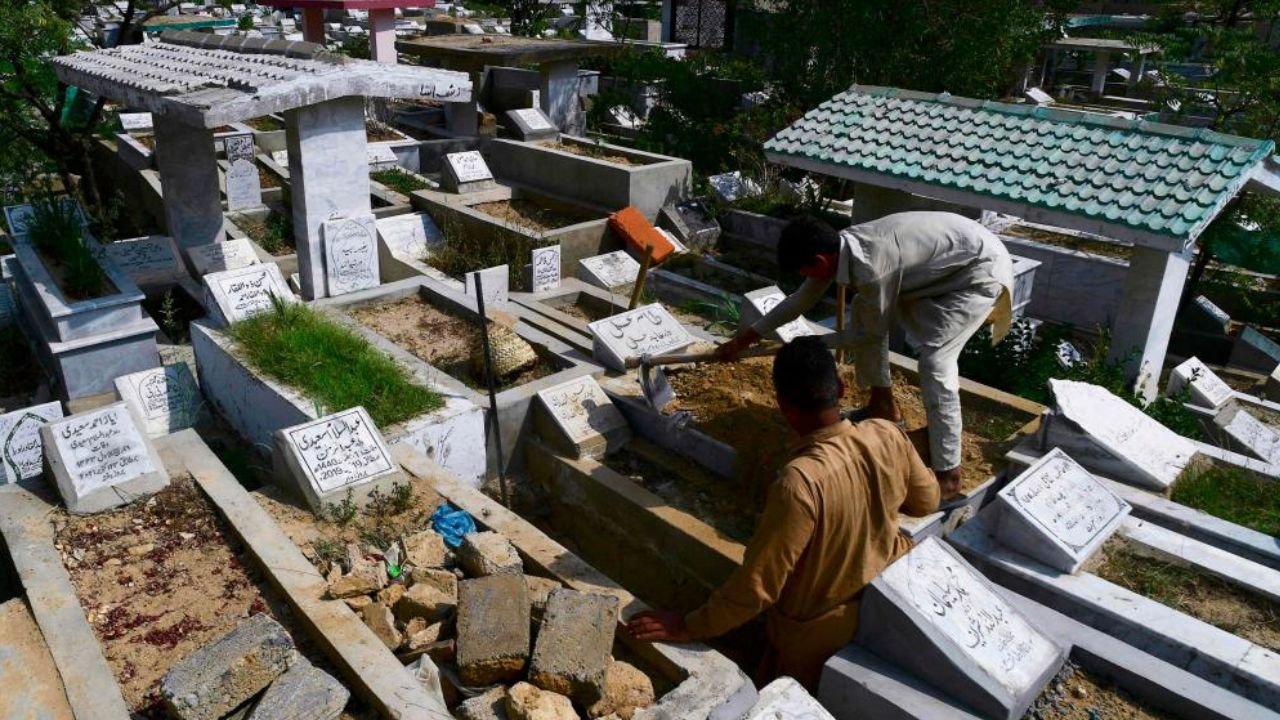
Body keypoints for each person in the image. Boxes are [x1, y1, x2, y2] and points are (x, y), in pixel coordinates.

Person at [625, 337, 940, 691]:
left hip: (819, 635)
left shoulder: (799, 482)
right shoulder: (886, 433)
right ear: (840, 387)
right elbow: (927, 502)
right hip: (888, 599)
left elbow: (757, 588)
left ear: (783, 407)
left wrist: (687, 626)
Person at [716, 211, 1013, 499]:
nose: (805, 278)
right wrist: (745, 339)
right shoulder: (840, 248)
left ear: (819, 261)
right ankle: (882, 405)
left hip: (976, 273)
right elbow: (801, 300)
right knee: (865, 311)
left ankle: (948, 473)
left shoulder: (871, 268)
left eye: (803, 271)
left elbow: (868, 335)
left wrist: (810, 344)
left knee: (936, 363)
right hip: (945, 263)